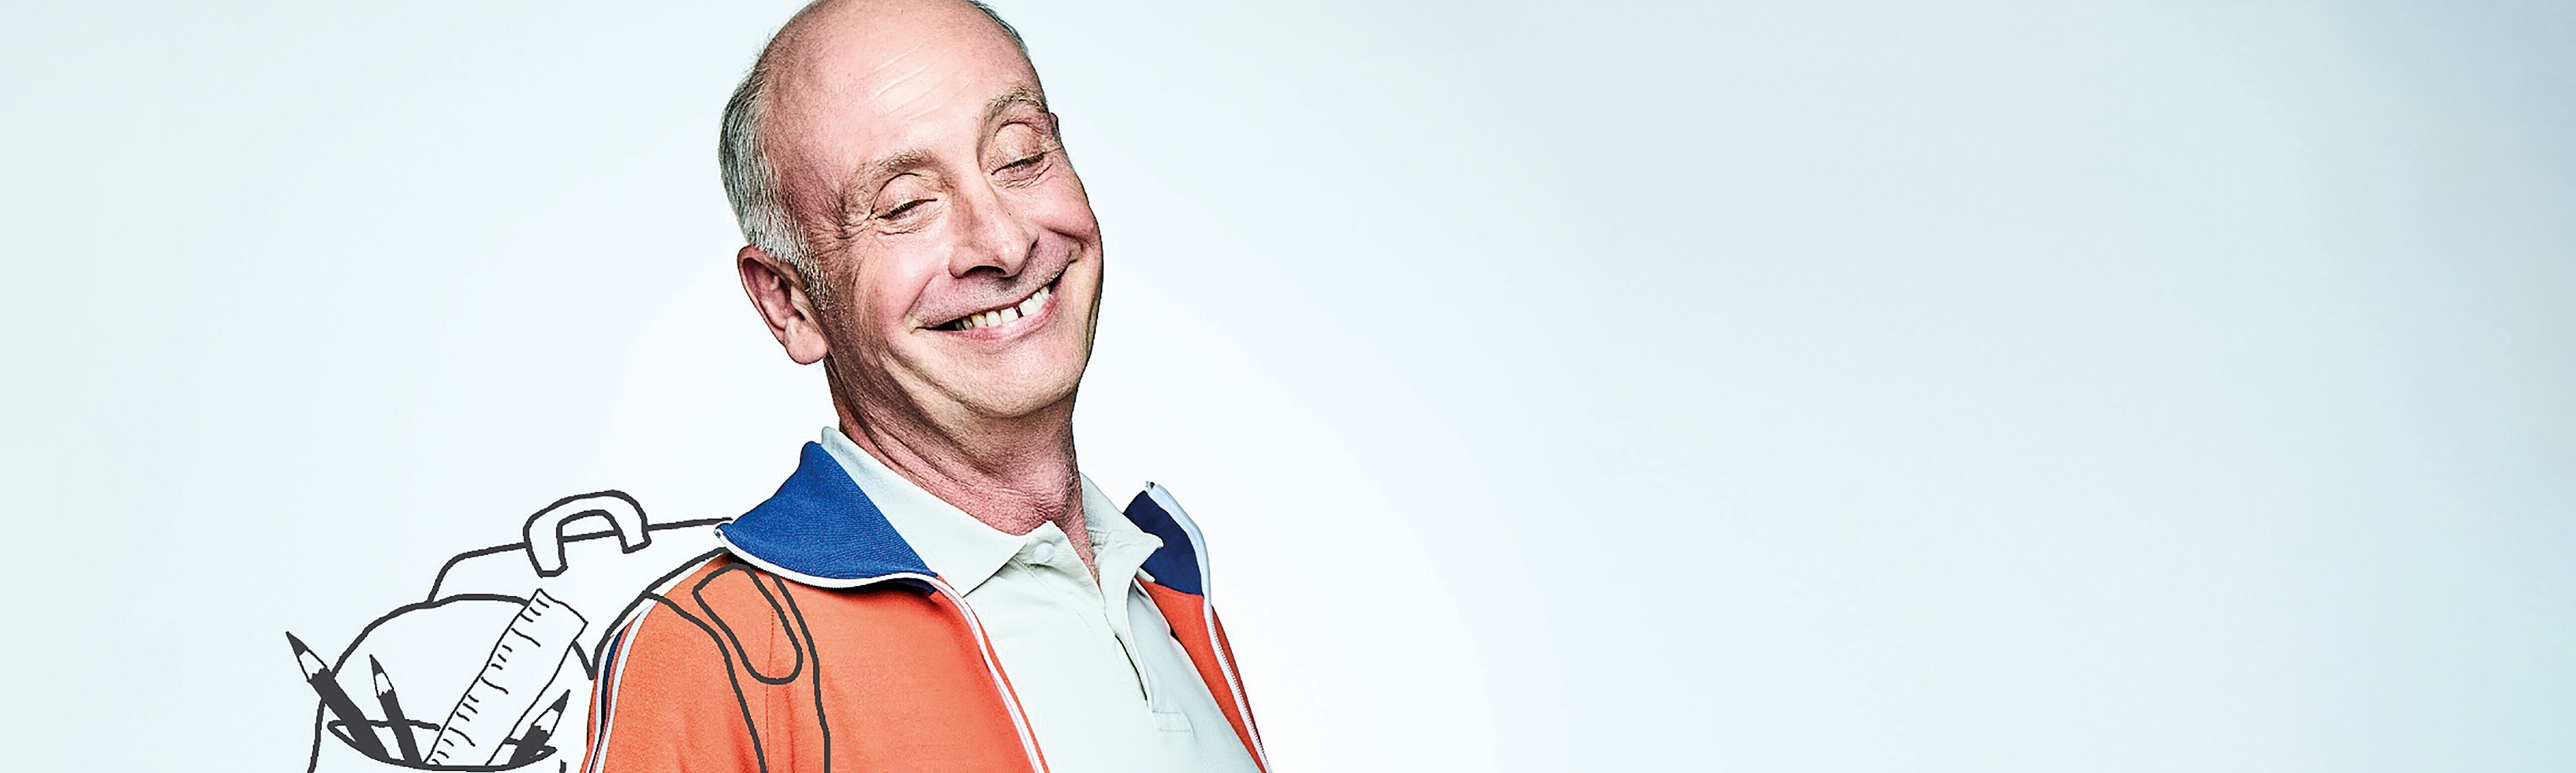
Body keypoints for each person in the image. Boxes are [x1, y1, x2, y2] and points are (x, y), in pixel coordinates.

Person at [580, 1, 1268, 771]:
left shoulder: (1161, 586)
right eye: (905, 205)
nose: (1005, 242)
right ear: (791, 303)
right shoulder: (721, 659)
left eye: (1019, 155)